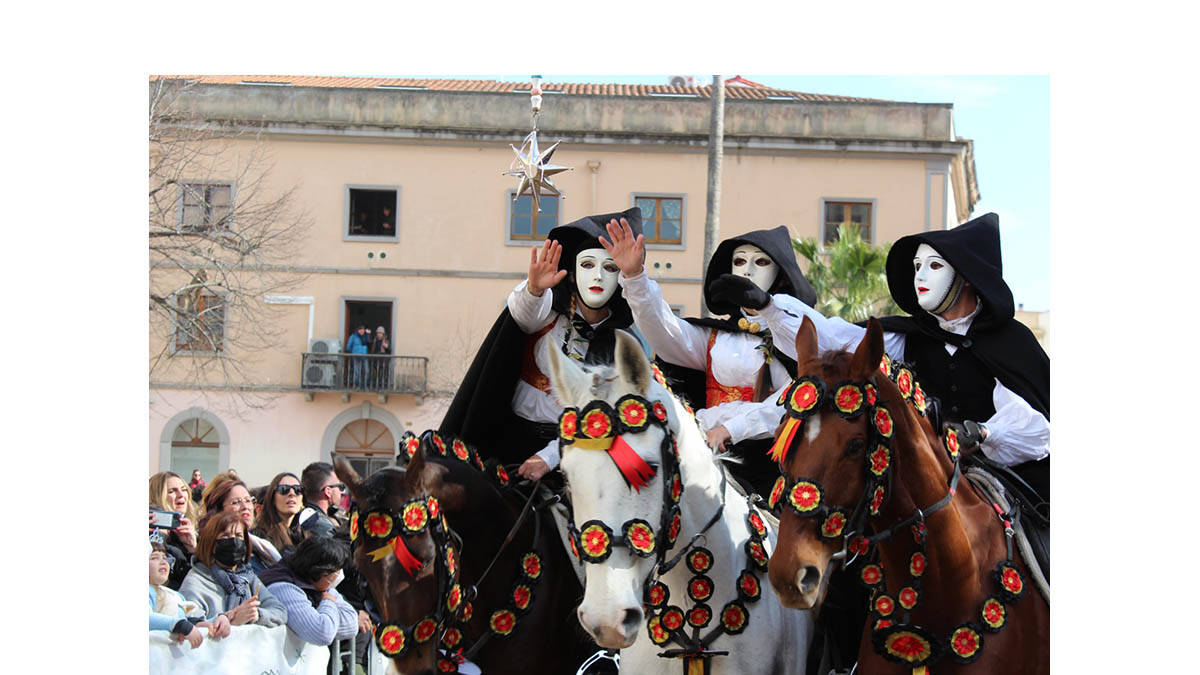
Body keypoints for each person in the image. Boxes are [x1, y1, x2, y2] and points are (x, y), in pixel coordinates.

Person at [721, 212, 1050, 500]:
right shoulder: (907, 335)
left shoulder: (1009, 342)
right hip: (917, 477)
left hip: (992, 481)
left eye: (934, 266)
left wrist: (984, 432)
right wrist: (770, 307)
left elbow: (1037, 428)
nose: (920, 276)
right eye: (917, 266)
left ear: (965, 278)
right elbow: (833, 340)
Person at [601, 218, 817, 496]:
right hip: (706, 452)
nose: (747, 270)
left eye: (761, 262)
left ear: (782, 276)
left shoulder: (797, 336)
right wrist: (635, 277)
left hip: (770, 464)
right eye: (739, 261)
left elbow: (793, 399)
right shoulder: (715, 335)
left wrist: (730, 429)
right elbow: (665, 331)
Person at [439, 207, 650, 472]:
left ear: (620, 279)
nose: (597, 275)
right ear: (572, 275)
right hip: (508, 441)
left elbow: (605, 415)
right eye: (587, 265)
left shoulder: (621, 344)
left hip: (575, 454)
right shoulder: (546, 313)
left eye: (609, 268)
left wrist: (549, 458)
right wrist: (535, 289)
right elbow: (522, 314)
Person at [179, 510, 287, 628]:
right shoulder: (196, 581)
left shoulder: (248, 578)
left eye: (239, 536)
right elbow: (191, 623)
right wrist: (231, 620)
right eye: (225, 535)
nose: (234, 541)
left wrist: (256, 615)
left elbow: (279, 611)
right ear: (211, 543)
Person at [259, 536, 359, 646]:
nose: (339, 574)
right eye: (337, 570)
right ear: (323, 573)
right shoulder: (282, 587)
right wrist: (328, 603)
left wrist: (325, 617)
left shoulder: (323, 587)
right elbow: (322, 634)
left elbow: (352, 624)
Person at [150, 540, 227, 647]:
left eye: (165, 557)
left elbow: (190, 622)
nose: (163, 562)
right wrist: (180, 625)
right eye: (154, 558)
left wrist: (218, 620)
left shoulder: (176, 595)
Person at [200, 477, 282, 574]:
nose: (245, 507)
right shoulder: (221, 549)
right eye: (236, 502)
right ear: (219, 511)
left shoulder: (261, 545)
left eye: (248, 500)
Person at [149, 471, 203, 590]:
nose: (181, 495)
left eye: (184, 490)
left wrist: (193, 548)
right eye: (172, 491)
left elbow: (202, 577)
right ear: (157, 495)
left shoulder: (194, 530)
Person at [251, 472, 305, 556]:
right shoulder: (259, 538)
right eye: (284, 489)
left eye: (298, 489)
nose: (292, 494)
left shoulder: (305, 534)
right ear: (272, 498)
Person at [298, 462, 346, 538]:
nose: (342, 492)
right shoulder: (320, 525)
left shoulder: (305, 516)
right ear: (328, 492)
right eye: (340, 487)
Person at [345, 324, 371, 389]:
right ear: (358, 330)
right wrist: (354, 352)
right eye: (360, 329)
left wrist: (368, 334)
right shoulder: (353, 336)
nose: (362, 331)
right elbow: (348, 347)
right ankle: (357, 386)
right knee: (357, 371)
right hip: (356, 356)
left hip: (364, 356)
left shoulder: (366, 336)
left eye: (363, 330)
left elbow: (369, 343)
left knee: (366, 371)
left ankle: (364, 386)